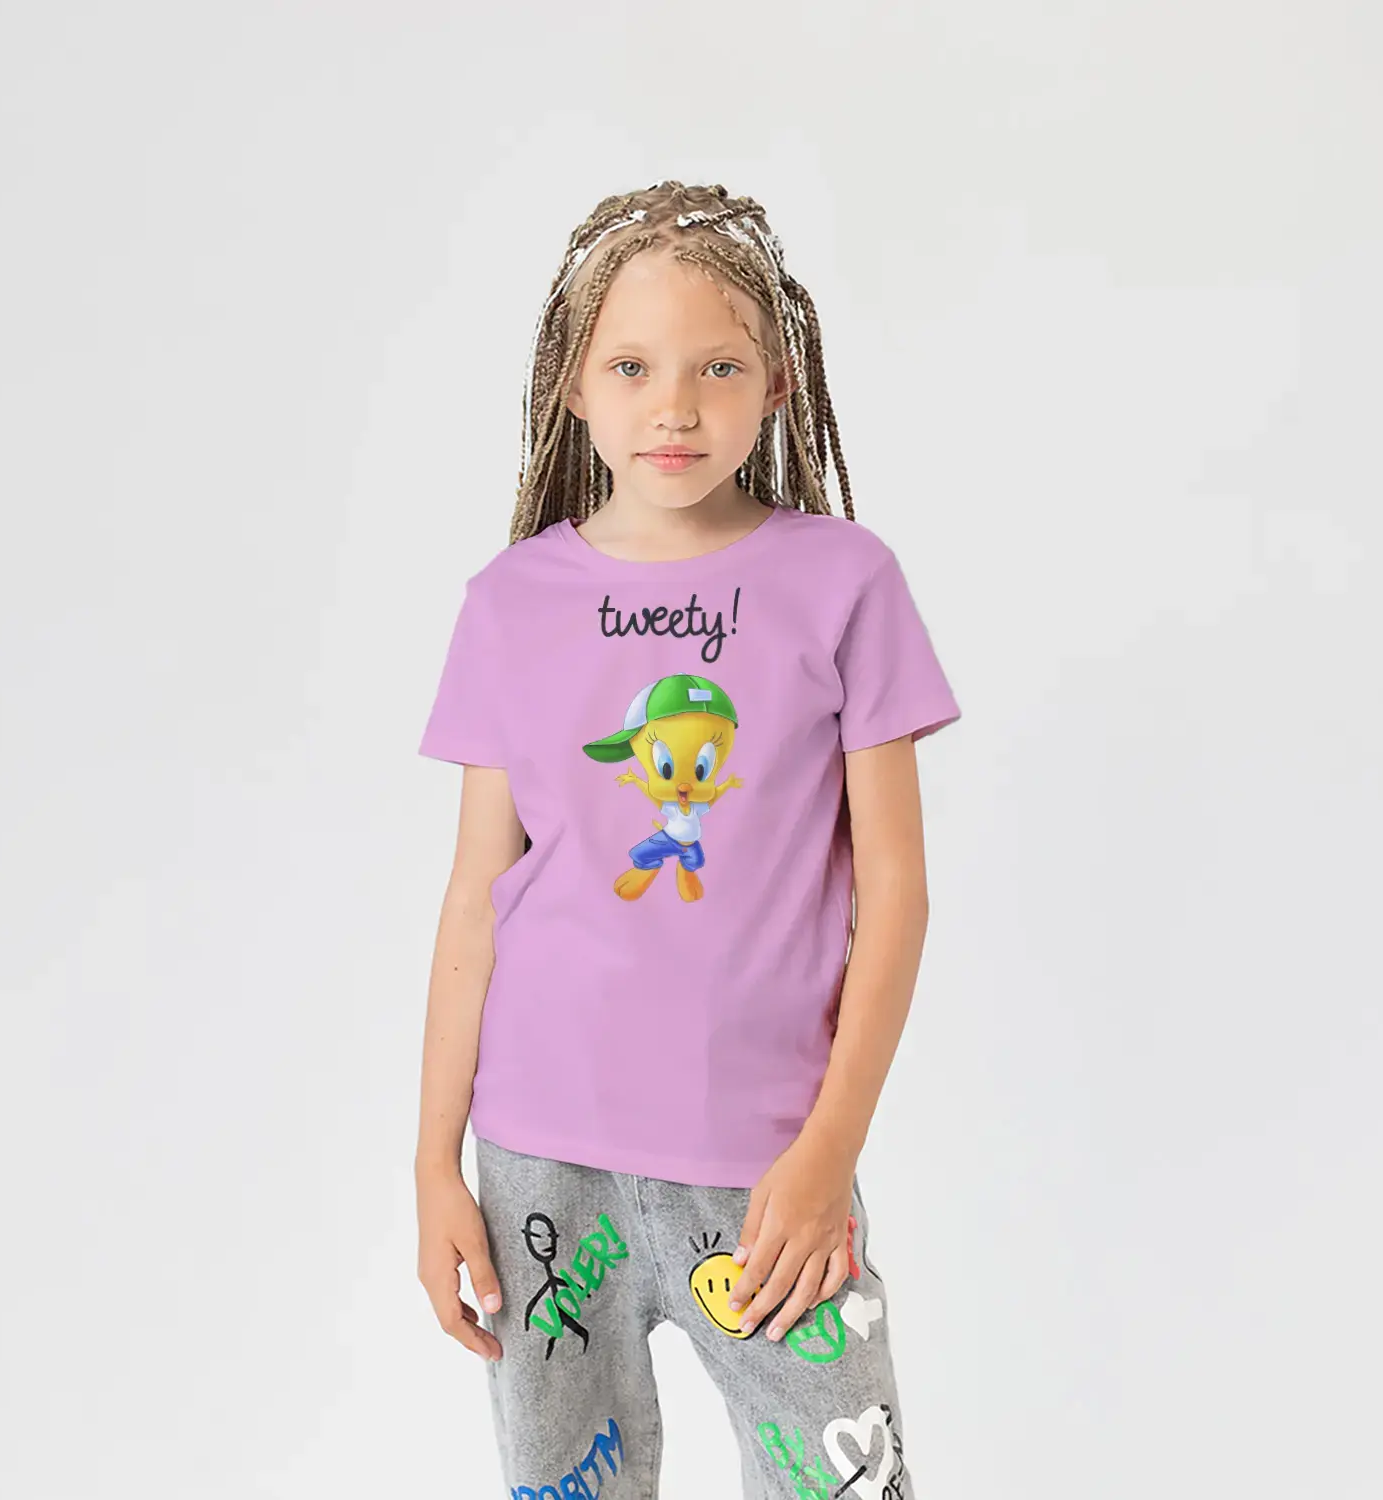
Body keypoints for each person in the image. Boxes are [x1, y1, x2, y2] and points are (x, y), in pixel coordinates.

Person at [413, 179, 961, 1500]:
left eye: (718, 366)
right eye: (632, 366)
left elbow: (894, 890)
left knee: (848, 1479)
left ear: (776, 385)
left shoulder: (845, 582)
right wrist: (433, 1162)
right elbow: (477, 895)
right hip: (542, 1159)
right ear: (573, 385)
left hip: (767, 1168)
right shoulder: (509, 603)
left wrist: (831, 1147)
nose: (674, 406)